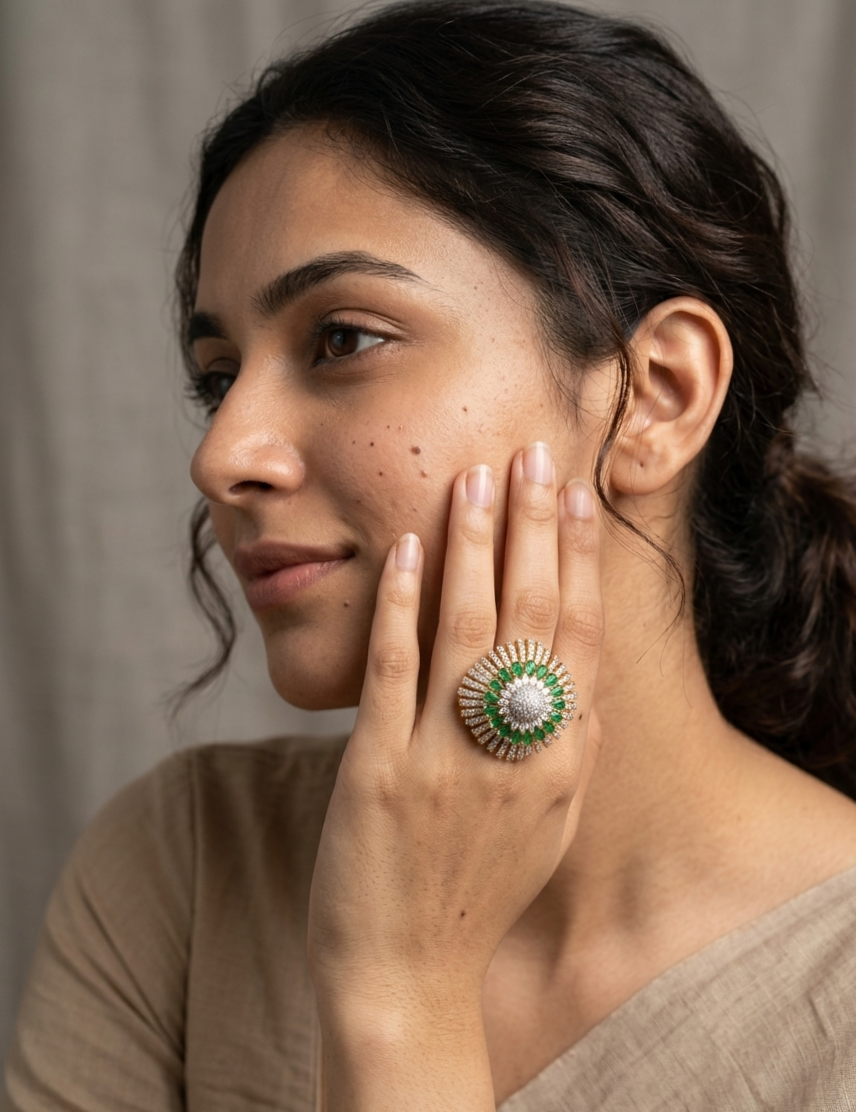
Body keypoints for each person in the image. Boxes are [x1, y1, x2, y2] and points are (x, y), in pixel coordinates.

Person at [6, 1, 856, 1108]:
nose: (221, 455)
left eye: (343, 338)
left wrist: (402, 990)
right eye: (218, 377)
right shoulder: (183, 867)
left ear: (656, 394)